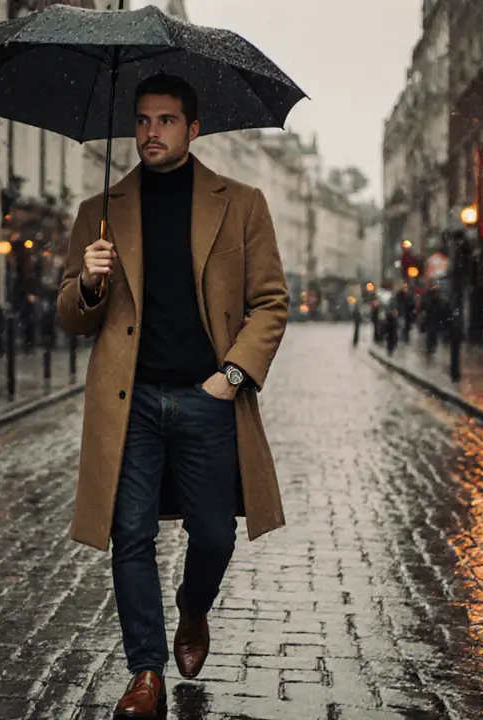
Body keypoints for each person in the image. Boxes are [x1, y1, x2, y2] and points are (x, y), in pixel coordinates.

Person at [56, 73, 289, 719]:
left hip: (207, 399)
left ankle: (193, 606)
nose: (149, 132)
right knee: (129, 534)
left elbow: (271, 302)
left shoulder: (241, 202)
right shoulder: (100, 210)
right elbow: (72, 316)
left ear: (193, 128)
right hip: (128, 402)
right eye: (141, 120)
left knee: (213, 535)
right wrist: (90, 283)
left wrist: (231, 378)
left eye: (164, 120)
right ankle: (145, 673)